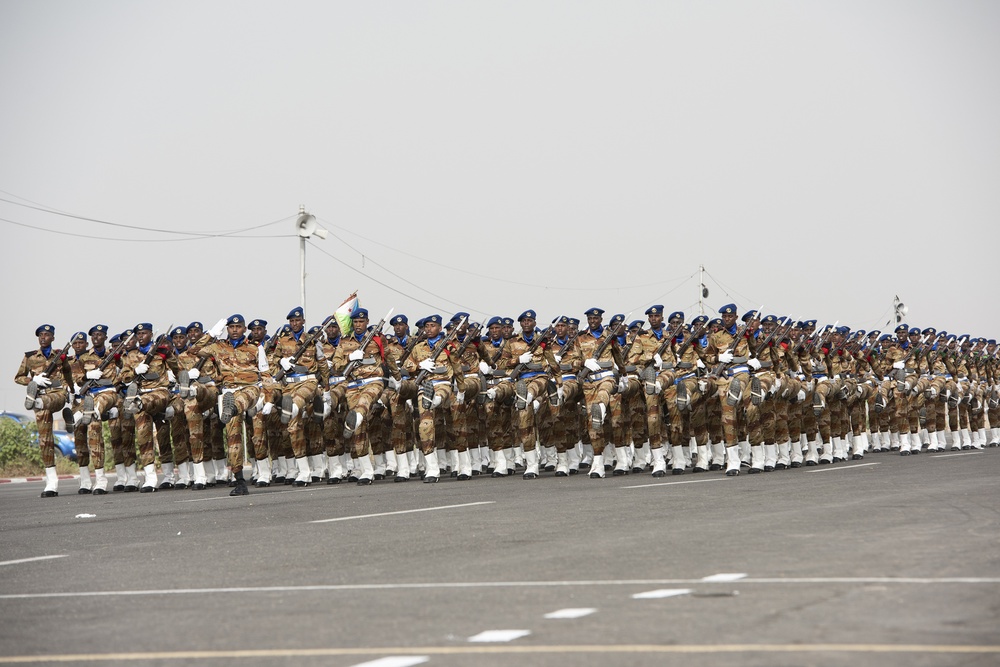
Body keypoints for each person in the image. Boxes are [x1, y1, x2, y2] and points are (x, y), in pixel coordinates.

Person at [188, 314, 272, 496]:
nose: (235, 330)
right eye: (231, 327)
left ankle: (231, 409)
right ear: (227, 329)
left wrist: (269, 399)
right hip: (229, 392)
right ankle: (240, 480)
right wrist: (210, 334)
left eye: (238, 327)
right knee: (233, 439)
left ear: (244, 329)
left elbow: (266, 376)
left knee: (254, 431)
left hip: (251, 390)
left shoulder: (256, 348)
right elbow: (193, 350)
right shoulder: (218, 347)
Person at [15, 324, 73, 497]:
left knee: (46, 401)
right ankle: (51, 481)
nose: (43, 337)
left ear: (53, 338)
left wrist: (72, 391)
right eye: (41, 335)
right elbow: (18, 377)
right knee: (45, 440)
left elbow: (68, 374)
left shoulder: (61, 356)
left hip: (57, 394)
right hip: (39, 394)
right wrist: (33, 381)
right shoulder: (30, 357)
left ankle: (37, 401)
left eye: (47, 334)